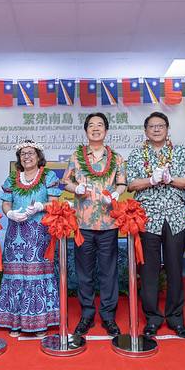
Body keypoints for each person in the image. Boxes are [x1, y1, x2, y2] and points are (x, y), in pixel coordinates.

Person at [126, 112, 185, 339]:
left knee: (175, 268)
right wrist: (151, 180)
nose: (156, 129)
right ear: (145, 131)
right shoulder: (137, 154)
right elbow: (131, 184)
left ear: (167, 128)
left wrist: (169, 179)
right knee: (149, 271)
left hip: (175, 218)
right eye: (152, 126)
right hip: (148, 219)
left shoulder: (180, 152)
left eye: (161, 125)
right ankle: (153, 318)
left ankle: (176, 318)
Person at [62, 112, 127, 337]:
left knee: (109, 272)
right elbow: (65, 181)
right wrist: (75, 188)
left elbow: (122, 183)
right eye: (91, 125)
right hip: (83, 223)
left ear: (106, 131)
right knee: (84, 272)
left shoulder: (116, 157)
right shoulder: (76, 155)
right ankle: (87, 315)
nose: (96, 128)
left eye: (100, 125)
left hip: (109, 223)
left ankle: (108, 317)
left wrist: (117, 194)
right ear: (86, 130)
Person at [0, 141, 61, 337]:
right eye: (23, 154)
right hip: (15, 233)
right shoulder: (12, 179)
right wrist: (10, 214)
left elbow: (55, 203)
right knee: (15, 276)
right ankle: (15, 323)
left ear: (38, 156)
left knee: (37, 274)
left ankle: (39, 323)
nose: (27, 157)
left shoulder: (48, 176)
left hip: (39, 233)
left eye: (31, 153)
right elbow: (6, 204)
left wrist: (41, 207)